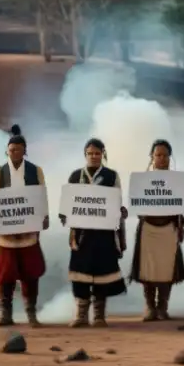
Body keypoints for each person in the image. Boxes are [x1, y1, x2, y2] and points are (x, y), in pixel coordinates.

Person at [0, 124, 49, 328]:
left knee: (30, 273)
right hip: (7, 234)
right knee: (5, 275)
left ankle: (31, 313)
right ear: (7, 151)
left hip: (28, 232)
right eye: (11, 150)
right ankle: (5, 314)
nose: (14, 152)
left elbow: (41, 196)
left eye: (18, 149)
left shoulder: (35, 171)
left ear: (24, 151)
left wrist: (44, 216)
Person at [59, 138, 127, 328]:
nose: (94, 156)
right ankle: (81, 315)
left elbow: (116, 201)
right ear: (85, 155)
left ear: (103, 154)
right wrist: (64, 214)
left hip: (104, 234)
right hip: (81, 235)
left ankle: (98, 315)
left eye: (98, 153)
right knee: (80, 274)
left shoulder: (112, 176)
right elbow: (69, 204)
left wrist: (120, 212)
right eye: (91, 153)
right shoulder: (75, 176)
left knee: (102, 274)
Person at [129, 139, 184, 321]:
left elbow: (183, 204)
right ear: (152, 157)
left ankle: (162, 306)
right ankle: (149, 307)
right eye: (158, 155)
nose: (161, 158)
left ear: (170, 157)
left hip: (169, 228)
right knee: (148, 270)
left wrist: (181, 225)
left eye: (165, 155)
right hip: (148, 228)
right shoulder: (142, 180)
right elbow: (135, 204)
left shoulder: (178, 181)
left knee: (166, 269)